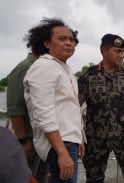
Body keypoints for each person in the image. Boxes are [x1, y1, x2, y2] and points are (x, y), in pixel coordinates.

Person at [23, 18, 85, 183]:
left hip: (68, 140)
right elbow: (44, 114)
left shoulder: (64, 68)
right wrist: (62, 152)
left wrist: (78, 137)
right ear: (47, 43)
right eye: (62, 39)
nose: (69, 43)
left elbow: (70, 108)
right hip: (58, 143)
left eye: (72, 39)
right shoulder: (44, 67)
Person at [78, 33, 124, 183]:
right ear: (103, 51)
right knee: (94, 178)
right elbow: (76, 105)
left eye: (123, 52)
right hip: (95, 137)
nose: (121, 55)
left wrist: (119, 115)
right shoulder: (88, 76)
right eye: (117, 51)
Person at [7, 44, 48, 183]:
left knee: (41, 177)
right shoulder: (24, 68)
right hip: (30, 139)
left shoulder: (44, 68)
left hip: (44, 138)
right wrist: (23, 142)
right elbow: (15, 109)